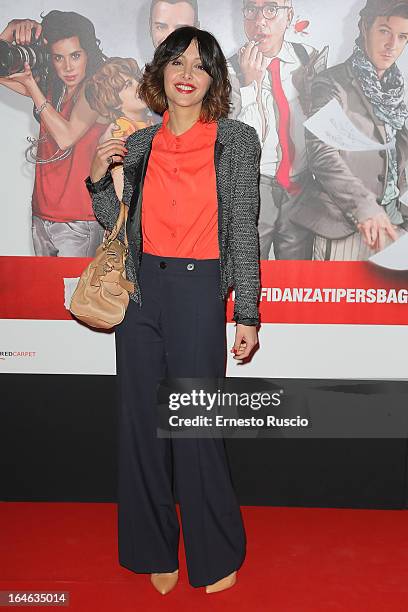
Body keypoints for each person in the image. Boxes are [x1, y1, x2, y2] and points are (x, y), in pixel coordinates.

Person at [85, 26, 261, 594]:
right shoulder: (139, 145)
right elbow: (117, 224)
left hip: (199, 289)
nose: (186, 73)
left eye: (200, 65)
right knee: (140, 426)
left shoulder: (235, 140)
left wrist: (248, 313)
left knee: (195, 425)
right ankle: (153, 548)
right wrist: (96, 181)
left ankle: (215, 552)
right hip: (141, 294)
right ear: (160, 71)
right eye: (177, 62)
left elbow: (243, 232)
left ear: (212, 80)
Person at [289, 0, 408, 260]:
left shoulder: (395, 93)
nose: (392, 45)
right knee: (338, 301)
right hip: (345, 228)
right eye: (384, 31)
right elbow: (322, 155)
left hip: (392, 225)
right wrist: (365, 209)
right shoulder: (331, 83)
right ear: (364, 27)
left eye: (402, 37)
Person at [0, 10, 108, 257]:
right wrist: (9, 30)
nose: (68, 67)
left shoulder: (95, 90)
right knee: (47, 295)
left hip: (79, 220)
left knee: (75, 296)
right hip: (42, 214)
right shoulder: (53, 89)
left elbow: (67, 136)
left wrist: (31, 87)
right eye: (59, 58)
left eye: (75, 56)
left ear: (88, 55)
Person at [228, 0, 327, 260]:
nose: (260, 20)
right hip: (253, 188)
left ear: (289, 16)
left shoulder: (309, 58)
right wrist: (250, 86)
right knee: (249, 276)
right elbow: (235, 143)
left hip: (300, 186)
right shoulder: (228, 70)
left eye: (271, 9)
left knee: (296, 280)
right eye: (251, 10)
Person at [85, 57, 154, 201]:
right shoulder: (121, 133)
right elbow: (123, 193)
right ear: (113, 101)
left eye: (137, 79)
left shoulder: (149, 122)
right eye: (128, 84)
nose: (139, 85)